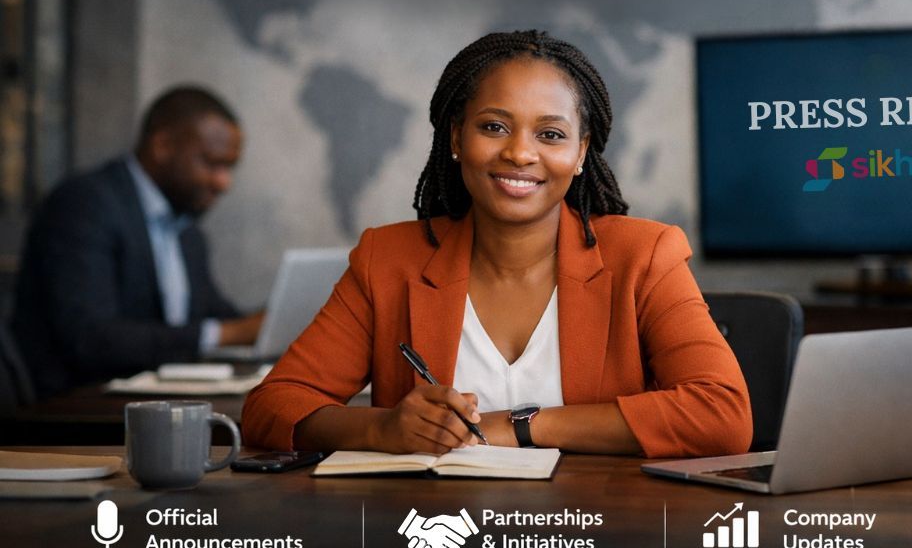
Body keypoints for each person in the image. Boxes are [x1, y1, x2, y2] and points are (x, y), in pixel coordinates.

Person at [242, 31, 751, 458]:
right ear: (457, 138)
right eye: (494, 127)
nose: (520, 153)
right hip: (431, 528)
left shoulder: (644, 255)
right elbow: (272, 406)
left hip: (596, 526)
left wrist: (519, 425)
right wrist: (382, 429)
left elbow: (723, 414)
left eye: (550, 134)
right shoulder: (389, 259)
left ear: (581, 153)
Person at [11, 86, 264, 399]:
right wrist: (227, 334)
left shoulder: (186, 231)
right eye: (212, 164)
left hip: (151, 404)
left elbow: (217, 316)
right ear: (162, 146)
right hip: (75, 408)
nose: (224, 183)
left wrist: (271, 321)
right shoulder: (85, 204)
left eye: (229, 168)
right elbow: (90, 338)